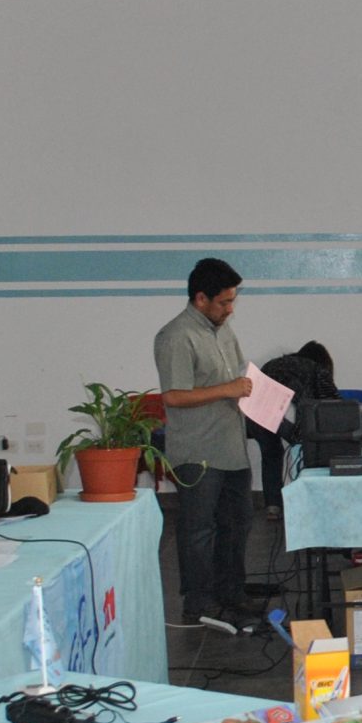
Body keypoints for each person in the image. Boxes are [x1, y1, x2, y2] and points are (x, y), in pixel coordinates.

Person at [156, 258, 258, 629]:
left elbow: (237, 379)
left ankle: (232, 593)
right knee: (199, 529)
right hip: (197, 451)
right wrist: (227, 389)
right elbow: (174, 396)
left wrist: (252, 391)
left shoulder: (224, 331)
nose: (230, 310)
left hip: (231, 446)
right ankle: (198, 602)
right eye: (224, 303)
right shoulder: (175, 337)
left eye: (232, 302)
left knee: (238, 523)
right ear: (201, 298)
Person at [252, 341, 339, 511]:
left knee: (271, 453)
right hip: (280, 413)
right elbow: (332, 403)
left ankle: (273, 506)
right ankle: (307, 503)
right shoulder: (317, 369)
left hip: (253, 410)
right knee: (308, 448)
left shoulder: (275, 363)